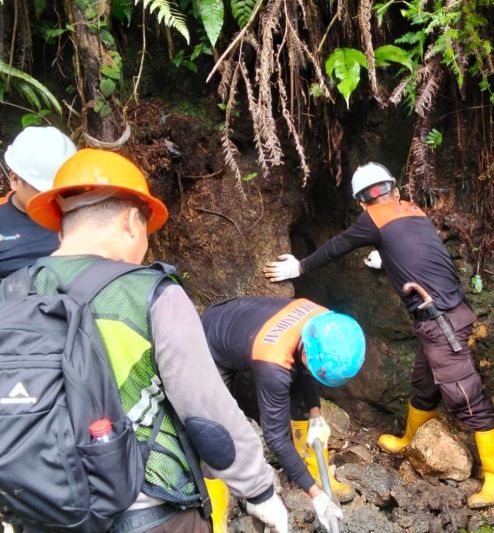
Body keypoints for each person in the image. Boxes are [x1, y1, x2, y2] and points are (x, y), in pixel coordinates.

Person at [23, 149, 288, 533]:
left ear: (60, 227)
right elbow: (206, 411)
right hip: (148, 512)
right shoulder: (149, 293)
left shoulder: (13, 293)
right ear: (132, 221)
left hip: (44, 513)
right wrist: (259, 489)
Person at [264, 162, 494, 509]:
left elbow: (339, 244)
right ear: (392, 188)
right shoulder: (411, 210)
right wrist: (389, 260)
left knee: (464, 396)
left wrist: (300, 266)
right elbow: (423, 251)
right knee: (423, 384)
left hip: (441, 320)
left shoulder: (373, 218)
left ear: (361, 201)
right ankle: (412, 439)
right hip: (440, 317)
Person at [201, 296, 366, 532]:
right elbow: (275, 437)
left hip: (249, 323)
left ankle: (311, 468)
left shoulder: (325, 323)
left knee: (301, 392)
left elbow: (307, 372)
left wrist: (315, 416)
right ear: (307, 354)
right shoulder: (273, 366)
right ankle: (214, 510)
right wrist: (316, 495)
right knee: (212, 429)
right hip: (212, 337)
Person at [0, 126, 76, 280]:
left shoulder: (82, 213)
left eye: (60, 190)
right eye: (43, 190)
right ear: (14, 180)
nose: (53, 197)